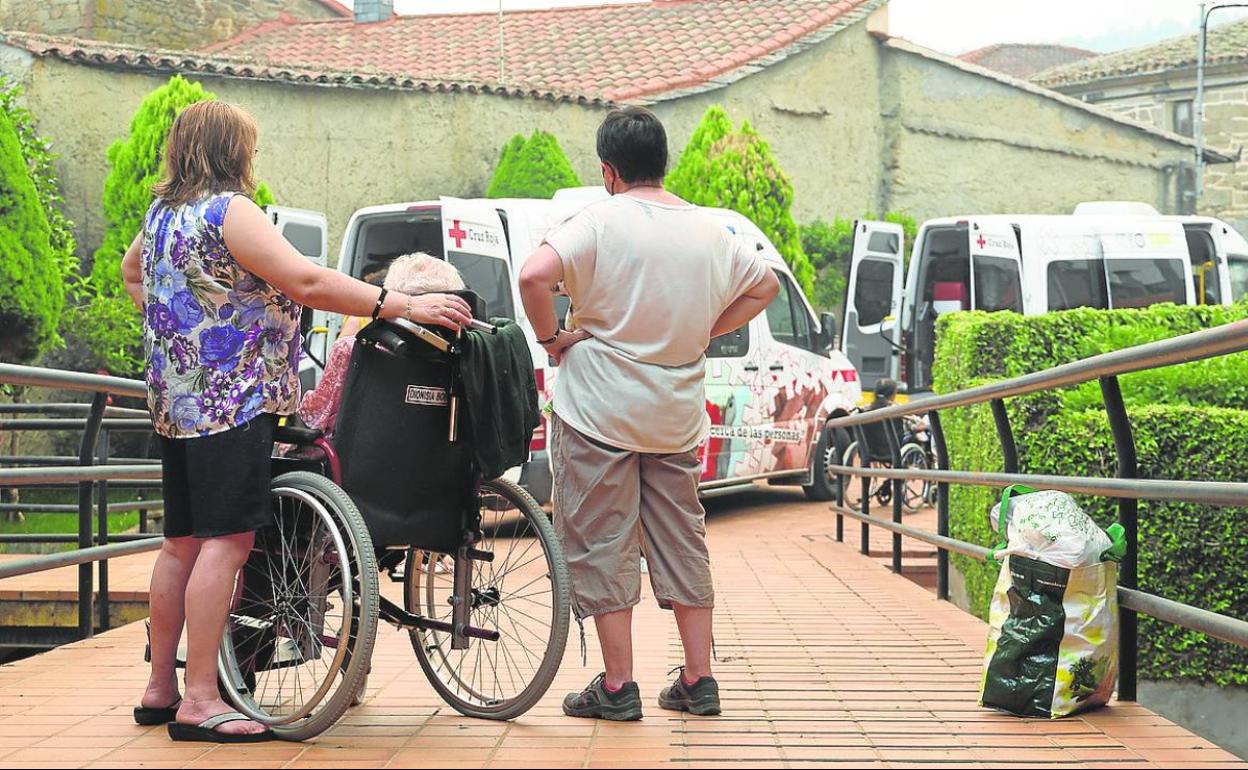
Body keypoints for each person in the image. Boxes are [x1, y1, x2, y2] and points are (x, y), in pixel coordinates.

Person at [120, 101, 473, 743]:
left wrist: (180, 329)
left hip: (176, 403)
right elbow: (307, 280)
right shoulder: (230, 211)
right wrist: (398, 304)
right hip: (231, 401)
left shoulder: (163, 215)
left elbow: (130, 275)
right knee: (227, 543)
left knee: (181, 543)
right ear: (235, 151)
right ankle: (201, 700)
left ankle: (160, 689)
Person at [518, 106, 779, 721]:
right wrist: (704, 329)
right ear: (664, 163)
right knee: (682, 536)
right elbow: (763, 285)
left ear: (609, 171)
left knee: (602, 538)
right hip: (675, 415)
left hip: (598, 412)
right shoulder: (712, 231)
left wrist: (553, 337)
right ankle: (698, 678)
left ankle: (618, 686)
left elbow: (533, 275)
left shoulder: (598, 221)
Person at [298, 253, 465, 437]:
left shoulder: (350, 349)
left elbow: (317, 416)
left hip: (356, 459)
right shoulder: (468, 359)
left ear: (390, 293)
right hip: (437, 461)